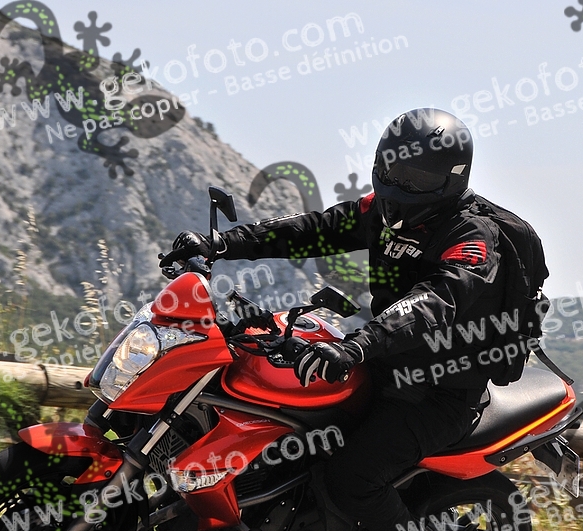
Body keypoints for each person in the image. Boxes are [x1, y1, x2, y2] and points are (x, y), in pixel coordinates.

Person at [160, 108, 517, 531]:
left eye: (416, 179)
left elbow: (433, 302)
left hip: (440, 391)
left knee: (351, 480)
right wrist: (221, 243)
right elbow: (314, 229)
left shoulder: (472, 236)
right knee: (293, 436)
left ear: (451, 179)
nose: (399, 186)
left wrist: (357, 346)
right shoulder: (379, 210)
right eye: (393, 170)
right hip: (383, 365)